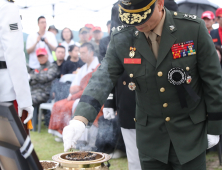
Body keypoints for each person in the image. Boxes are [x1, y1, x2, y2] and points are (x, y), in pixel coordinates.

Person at [63, 0, 222, 170]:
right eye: (130, 17)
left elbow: (213, 81)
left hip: (189, 134)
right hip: (151, 139)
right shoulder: (122, 37)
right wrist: (80, 119)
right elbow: (102, 77)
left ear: (160, 4)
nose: (136, 23)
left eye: (141, 16)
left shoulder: (192, 28)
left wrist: (215, 125)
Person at [48, 43, 99, 141]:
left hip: (89, 97)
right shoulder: (83, 68)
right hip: (78, 95)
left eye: (83, 53)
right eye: (80, 53)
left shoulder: (97, 67)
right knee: (58, 105)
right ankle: (61, 133)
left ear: (91, 53)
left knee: (70, 106)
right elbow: (73, 87)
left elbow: (90, 88)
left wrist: (75, 93)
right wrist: (74, 92)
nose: (81, 56)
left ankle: (71, 135)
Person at [0, 0, 33, 135]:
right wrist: (24, 99)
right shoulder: (7, 8)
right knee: (11, 149)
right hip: (5, 91)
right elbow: (15, 55)